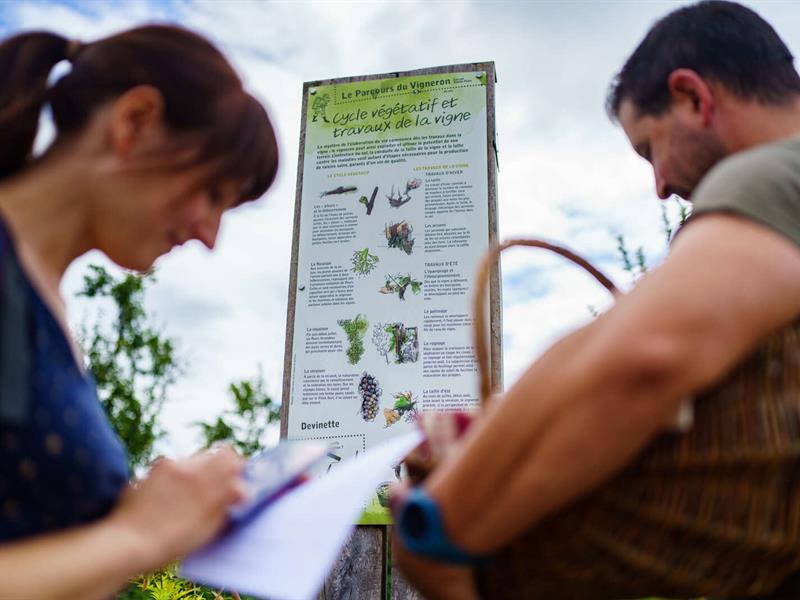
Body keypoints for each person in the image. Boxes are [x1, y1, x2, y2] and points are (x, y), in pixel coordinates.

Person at [390, 1, 800, 598]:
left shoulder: (773, 172)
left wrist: (440, 527)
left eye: (649, 149)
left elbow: (651, 351)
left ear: (691, 98)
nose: (660, 186)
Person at [0, 26, 278, 599]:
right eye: (212, 192)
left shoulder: (43, 301)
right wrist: (139, 535)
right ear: (135, 122)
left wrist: (170, 513)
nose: (209, 235)